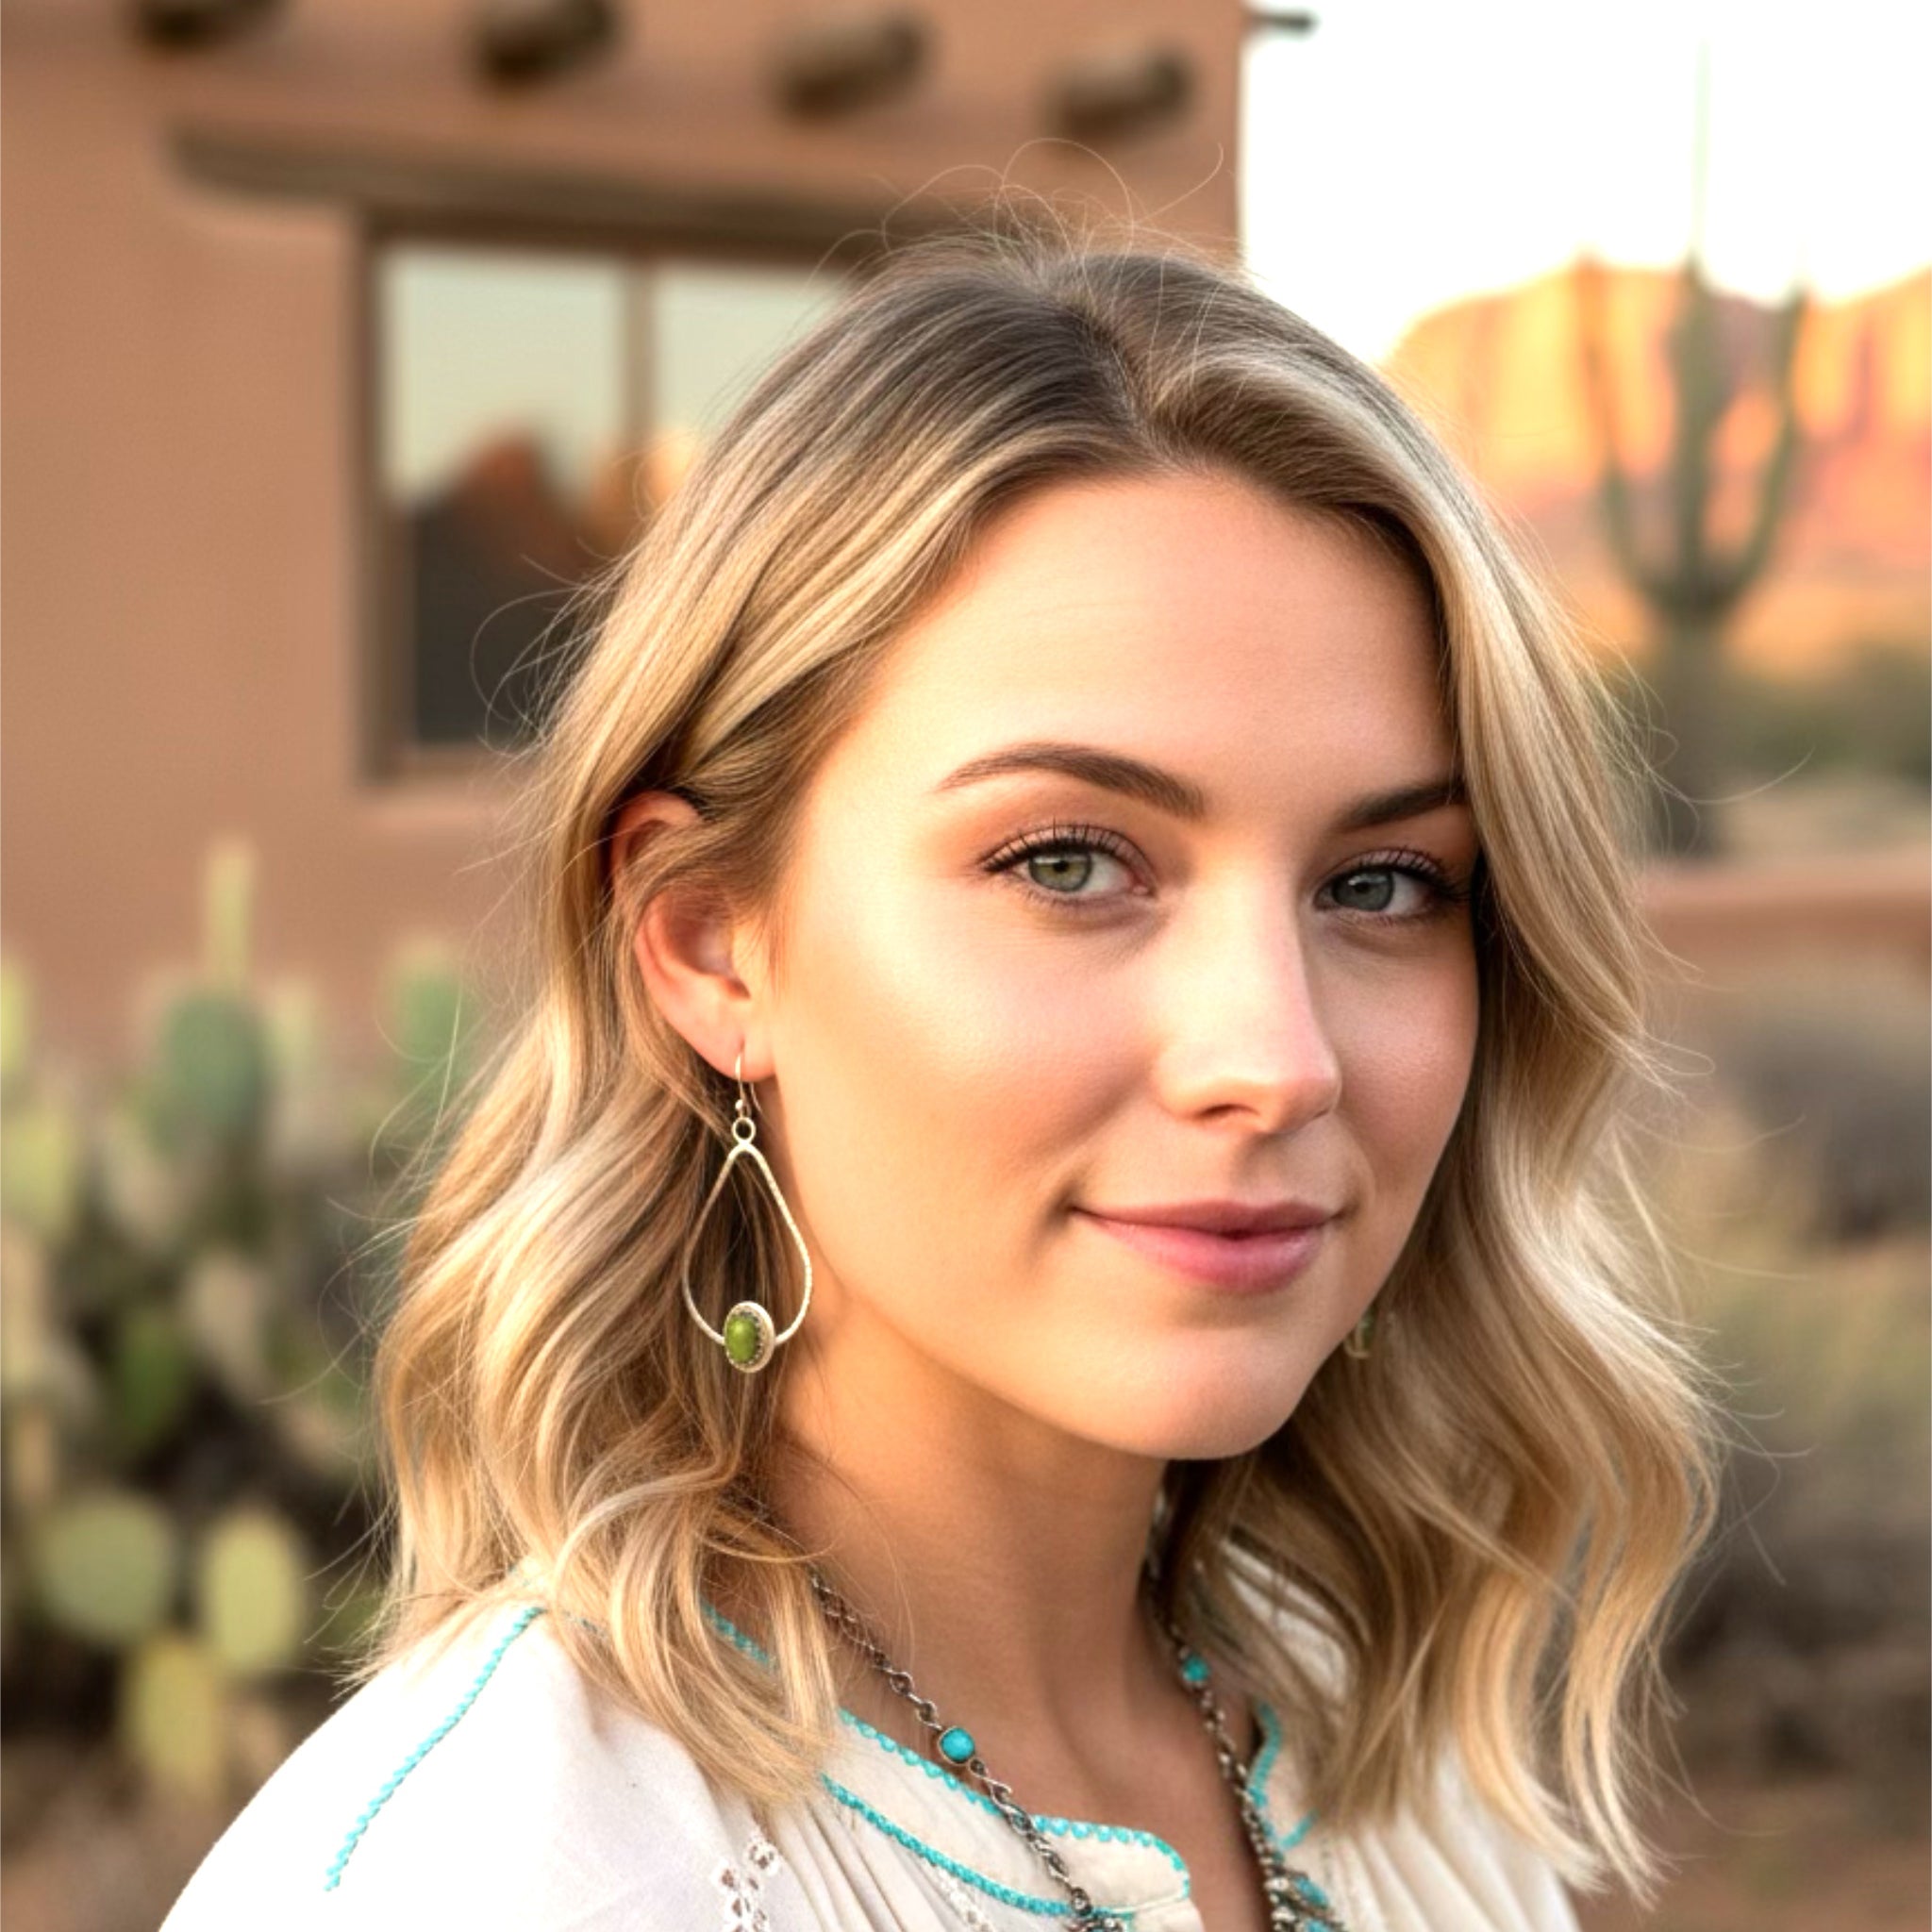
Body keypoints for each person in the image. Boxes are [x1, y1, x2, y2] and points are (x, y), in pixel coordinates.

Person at [161, 216, 1722, 1932]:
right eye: (1068, 862)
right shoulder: (492, 1882)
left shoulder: (1386, 1753)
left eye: (1383, 884)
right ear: (706, 942)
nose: (1276, 1060)